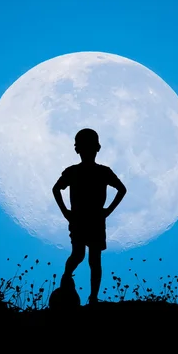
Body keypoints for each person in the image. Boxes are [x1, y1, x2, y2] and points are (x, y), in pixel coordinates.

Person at [52, 128, 127, 305]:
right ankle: (67, 277)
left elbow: (122, 189)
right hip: (80, 219)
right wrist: (65, 212)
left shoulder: (103, 172)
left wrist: (107, 211)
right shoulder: (72, 172)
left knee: (94, 259)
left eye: (90, 147)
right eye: (84, 147)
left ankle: (93, 297)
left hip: (94, 220)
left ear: (97, 149)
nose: (87, 151)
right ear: (78, 150)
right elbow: (56, 189)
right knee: (79, 255)